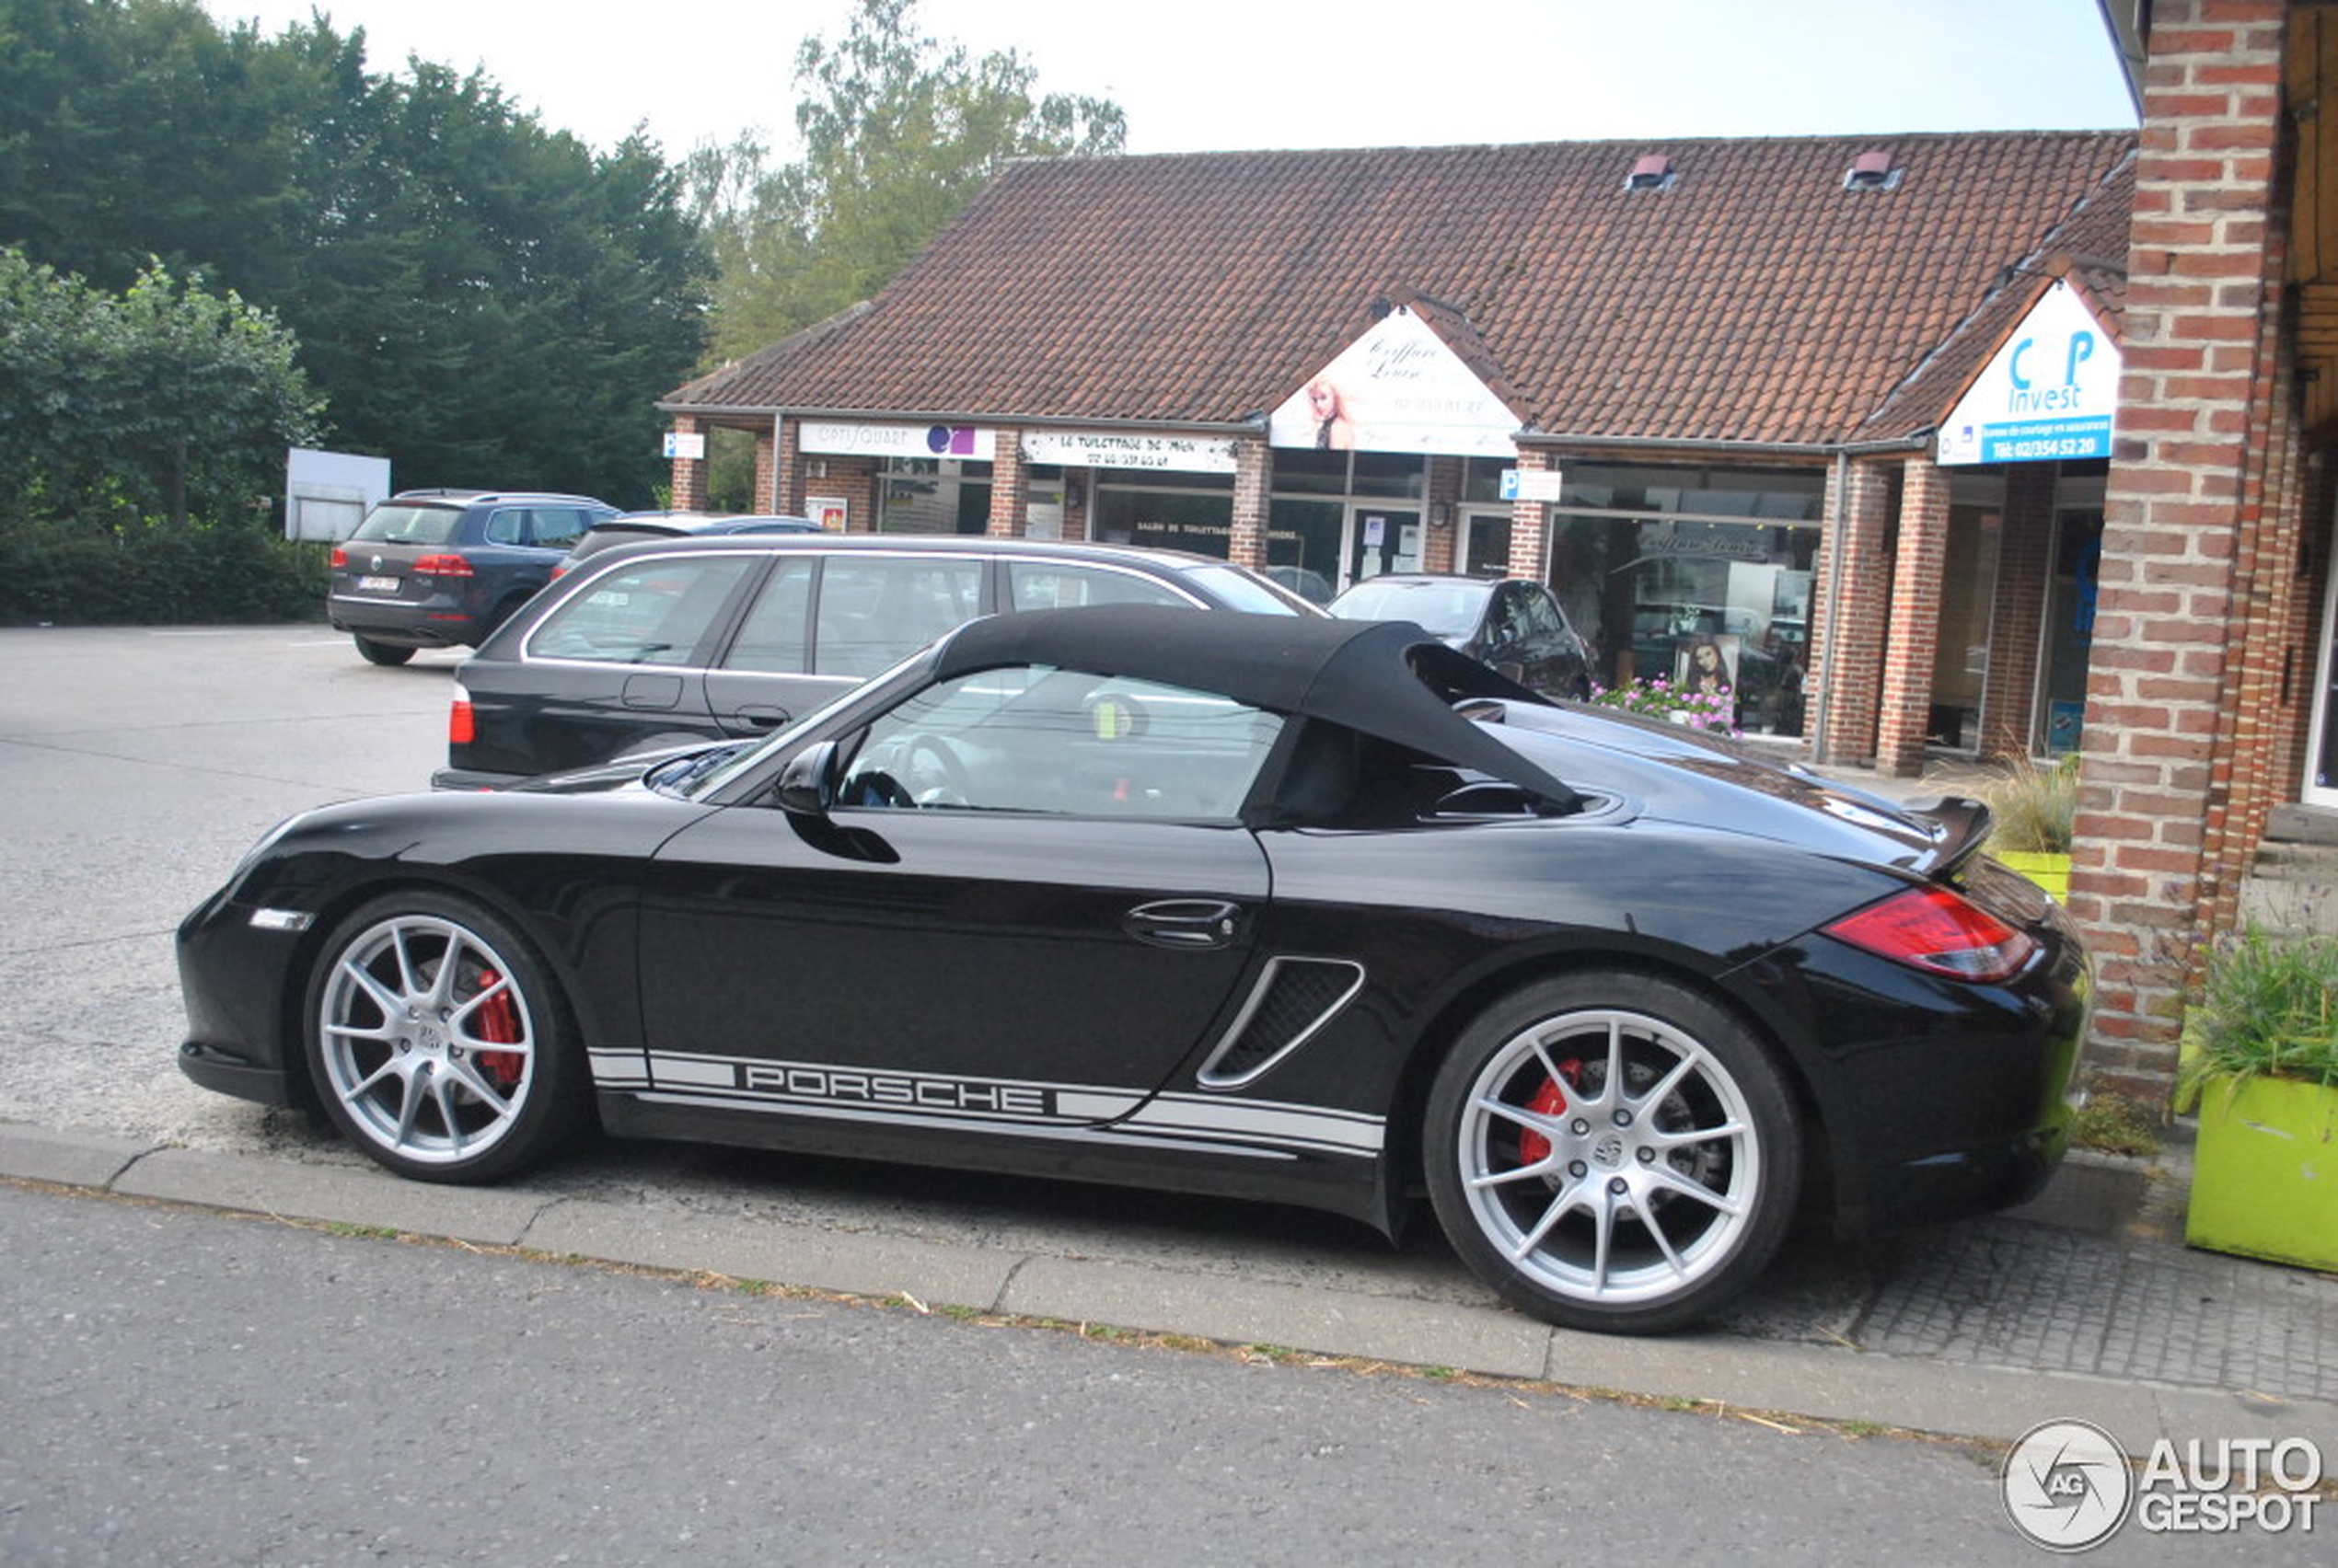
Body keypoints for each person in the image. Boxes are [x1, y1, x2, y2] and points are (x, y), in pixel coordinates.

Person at [1306, 378, 1356, 449]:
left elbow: (1336, 459)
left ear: (1335, 398)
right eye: (1315, 400)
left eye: (1323, 398)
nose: (1318, 405)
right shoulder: (1329, 425)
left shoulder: (1338, 426)